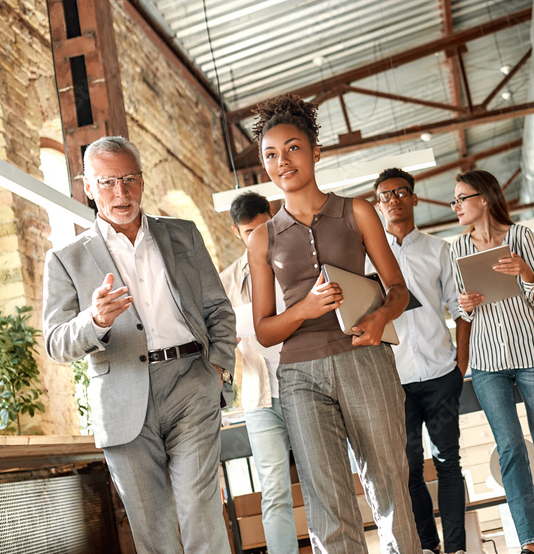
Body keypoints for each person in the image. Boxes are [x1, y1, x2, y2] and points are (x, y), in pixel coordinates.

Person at [244, 93, 421, 553]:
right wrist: (304, 308)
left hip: (364, 358)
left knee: (388, 484)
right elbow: (264, 330)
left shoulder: (357, 211)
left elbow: (398, 289)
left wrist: (381, 317)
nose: (282, 162)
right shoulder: (262, 238)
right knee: (326, 500)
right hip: (299, 374)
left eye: (293, 148)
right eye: (270, 155)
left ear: (316, 152)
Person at [43, 136, 235, 553]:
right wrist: (94, 320)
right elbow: (56, 343)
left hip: (191, 381)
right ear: (88, 188)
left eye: (129, 179)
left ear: (142, 181)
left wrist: (217, 371)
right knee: (152, 528)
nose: (121, 192)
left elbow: (219, 309)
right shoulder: (66, 258)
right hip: (122, 394)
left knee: (199, 509)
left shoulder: (182, 234)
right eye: (108, 182)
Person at [450, 170, 534, 554]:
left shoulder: (520, 236)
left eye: (461, 198)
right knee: (510, 449)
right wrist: (465, 306)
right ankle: (529, 541)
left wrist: (524, 272)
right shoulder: (456, 247)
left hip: (533, 355)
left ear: (483, 200)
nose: (456, 207)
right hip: (488, 362)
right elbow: (464, 309)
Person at [367, 168, 470, 554]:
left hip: (441, 373)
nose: (393, 199)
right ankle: (428, 547)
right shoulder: (369, 259)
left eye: (400, 192)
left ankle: (457, 548)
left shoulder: (439, 250)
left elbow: (460, 310)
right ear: (379, 206)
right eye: (385, 195)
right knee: (409, 469)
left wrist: (460, 365)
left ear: (413, 198)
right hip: (395, 380)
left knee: (448, 463)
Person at [219, 192, 299, 554]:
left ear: (274, 216)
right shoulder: (226, 281)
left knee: (320, 482)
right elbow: (217, 337)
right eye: (248, 231)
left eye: (262, 226)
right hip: (258, 396)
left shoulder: (297, 261)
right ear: (237, 232)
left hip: (304, 385)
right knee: (275, 490)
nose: (256, 236)